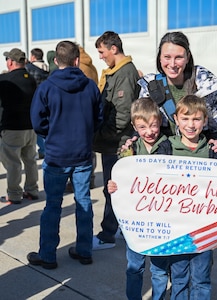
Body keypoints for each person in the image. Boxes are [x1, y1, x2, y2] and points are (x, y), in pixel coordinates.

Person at [111, 95, 217, 299]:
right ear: (176, 119)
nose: (191, 125)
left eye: (196, 120)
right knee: (178, 277)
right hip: (174, 230)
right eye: (185, 119)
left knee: (201, 278)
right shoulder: (165, 148)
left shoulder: (213, 151)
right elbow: (142, 179)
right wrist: (118, 183)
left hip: (203, 231)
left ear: (205, 121)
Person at [27, 41, 103, 269]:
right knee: (84, 203)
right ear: (77, 60)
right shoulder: (90, 86)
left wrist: (52, 134)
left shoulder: (47, 87)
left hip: (57, 156)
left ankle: (48, 255)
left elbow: (37, 121)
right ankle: (84, 250)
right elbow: (98, 117)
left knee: (53, 205)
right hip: (81, 155)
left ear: (56, 61)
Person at [110, 97, 171, 300]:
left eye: (153, 125)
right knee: (134, 266)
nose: (149, 131)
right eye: (142, 127)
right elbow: (121, 178)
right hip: (136, 221)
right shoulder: (129, 150)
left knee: (160, 269)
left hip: (161, 221)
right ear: (134, 126)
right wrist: (114, 185)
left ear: (160, 122)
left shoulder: (170, 147)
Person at [137, 31, 217, 156]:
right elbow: (142, 120)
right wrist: (133, 141)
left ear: (188, 57)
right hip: (165, 156)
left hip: (200, 156)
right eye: (167, 57)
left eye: (178, 57)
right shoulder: (150, 87)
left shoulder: (209, 87)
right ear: (159, 57)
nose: (172, 64)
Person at [92, 31, 140, 250]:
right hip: (113, 142)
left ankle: (107, 234)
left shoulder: (124, 73)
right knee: (117, 189)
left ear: (113, 48)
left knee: (112, 189)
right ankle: (120, 228)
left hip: (118, 144)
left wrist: (99, 135)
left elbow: (122, 116)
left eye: (102, 51)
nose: (100, 57)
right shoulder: (115, 72)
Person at [0, 48, 39, 204]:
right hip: (30, 127)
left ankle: (14, 194)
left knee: (13, 163)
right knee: (30, 160)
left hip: (12, 127)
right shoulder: (31, 78)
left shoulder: (5, 80)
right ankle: (32, 190)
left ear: (10, 62)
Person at [65, 46, 99, 192]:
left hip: (78, 112)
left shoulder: (79, 69)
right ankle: (90, 179)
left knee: (79, 152)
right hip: (90, 112)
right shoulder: (92, 66)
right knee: (90, 149)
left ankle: (80, 181)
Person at [26, 48, 50, 160]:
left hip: (34, 100)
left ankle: (43, 149)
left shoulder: (30, 69)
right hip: (47, 99)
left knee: (37, 127)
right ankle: (46, 149)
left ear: (33, 57)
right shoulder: (47, 67)